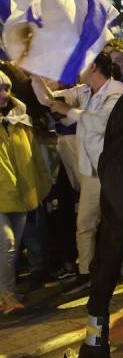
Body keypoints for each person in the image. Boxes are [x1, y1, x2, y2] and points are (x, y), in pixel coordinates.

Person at [32, 51, 123, 295]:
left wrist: (69, 112)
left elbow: (102, 123)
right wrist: (34, 74)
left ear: (94, 66)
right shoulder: (84, 91)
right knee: (85, 223)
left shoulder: (117, 90)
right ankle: (87, 272)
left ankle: (121, 268)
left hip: (114, 171)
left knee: (118, 223)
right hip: (92, 173)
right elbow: (48, 99)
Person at [0, 71, 53, 314]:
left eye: (6, 88)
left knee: (11, 246)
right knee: (8, 245)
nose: (4, 94)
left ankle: (5, 291)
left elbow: (35, 159)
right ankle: (8, 296)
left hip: (21, 196)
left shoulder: (21, 120)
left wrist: (42, 185)